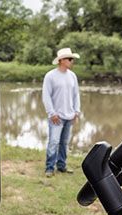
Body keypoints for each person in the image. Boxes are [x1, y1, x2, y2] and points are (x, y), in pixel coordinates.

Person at [42, 47, 81, 177]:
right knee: (53, 142)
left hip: (69, 115)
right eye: (70, 59)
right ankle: (49, 167)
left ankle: (61, 166)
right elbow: (46, 96)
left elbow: (76, 95)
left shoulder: (72, 76)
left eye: (72, 59)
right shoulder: (50, 76)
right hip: (56, 117)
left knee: (64, 143)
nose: (72, 61)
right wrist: (51, 113)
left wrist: (76, 112)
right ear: (62, 60)